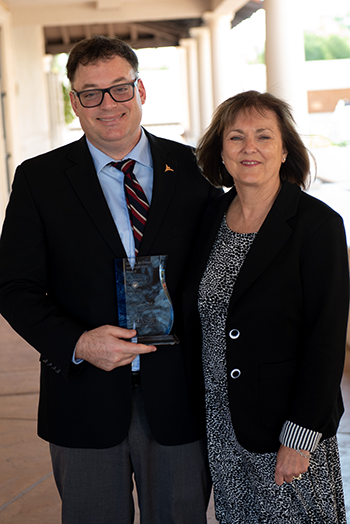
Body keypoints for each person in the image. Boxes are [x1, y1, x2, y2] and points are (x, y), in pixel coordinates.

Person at [0, 35, 221, 524]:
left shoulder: (197, 169)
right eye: (90, 92)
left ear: (141, 90)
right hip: (83, 394)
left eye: (120, 88)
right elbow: (13, 287)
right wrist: (78, 342)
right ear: (74, 102)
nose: (108, 104)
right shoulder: (39, 180)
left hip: (180, 393)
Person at [182, 90, 350, 523]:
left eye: (263, 136)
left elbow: (326, 339)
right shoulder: (210, 218)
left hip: (287, 429)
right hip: (222, 423)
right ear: (220, 152)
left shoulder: (318, 225)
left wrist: (301, 435)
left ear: (285, 150)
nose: (249, 148)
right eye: (236, 137)